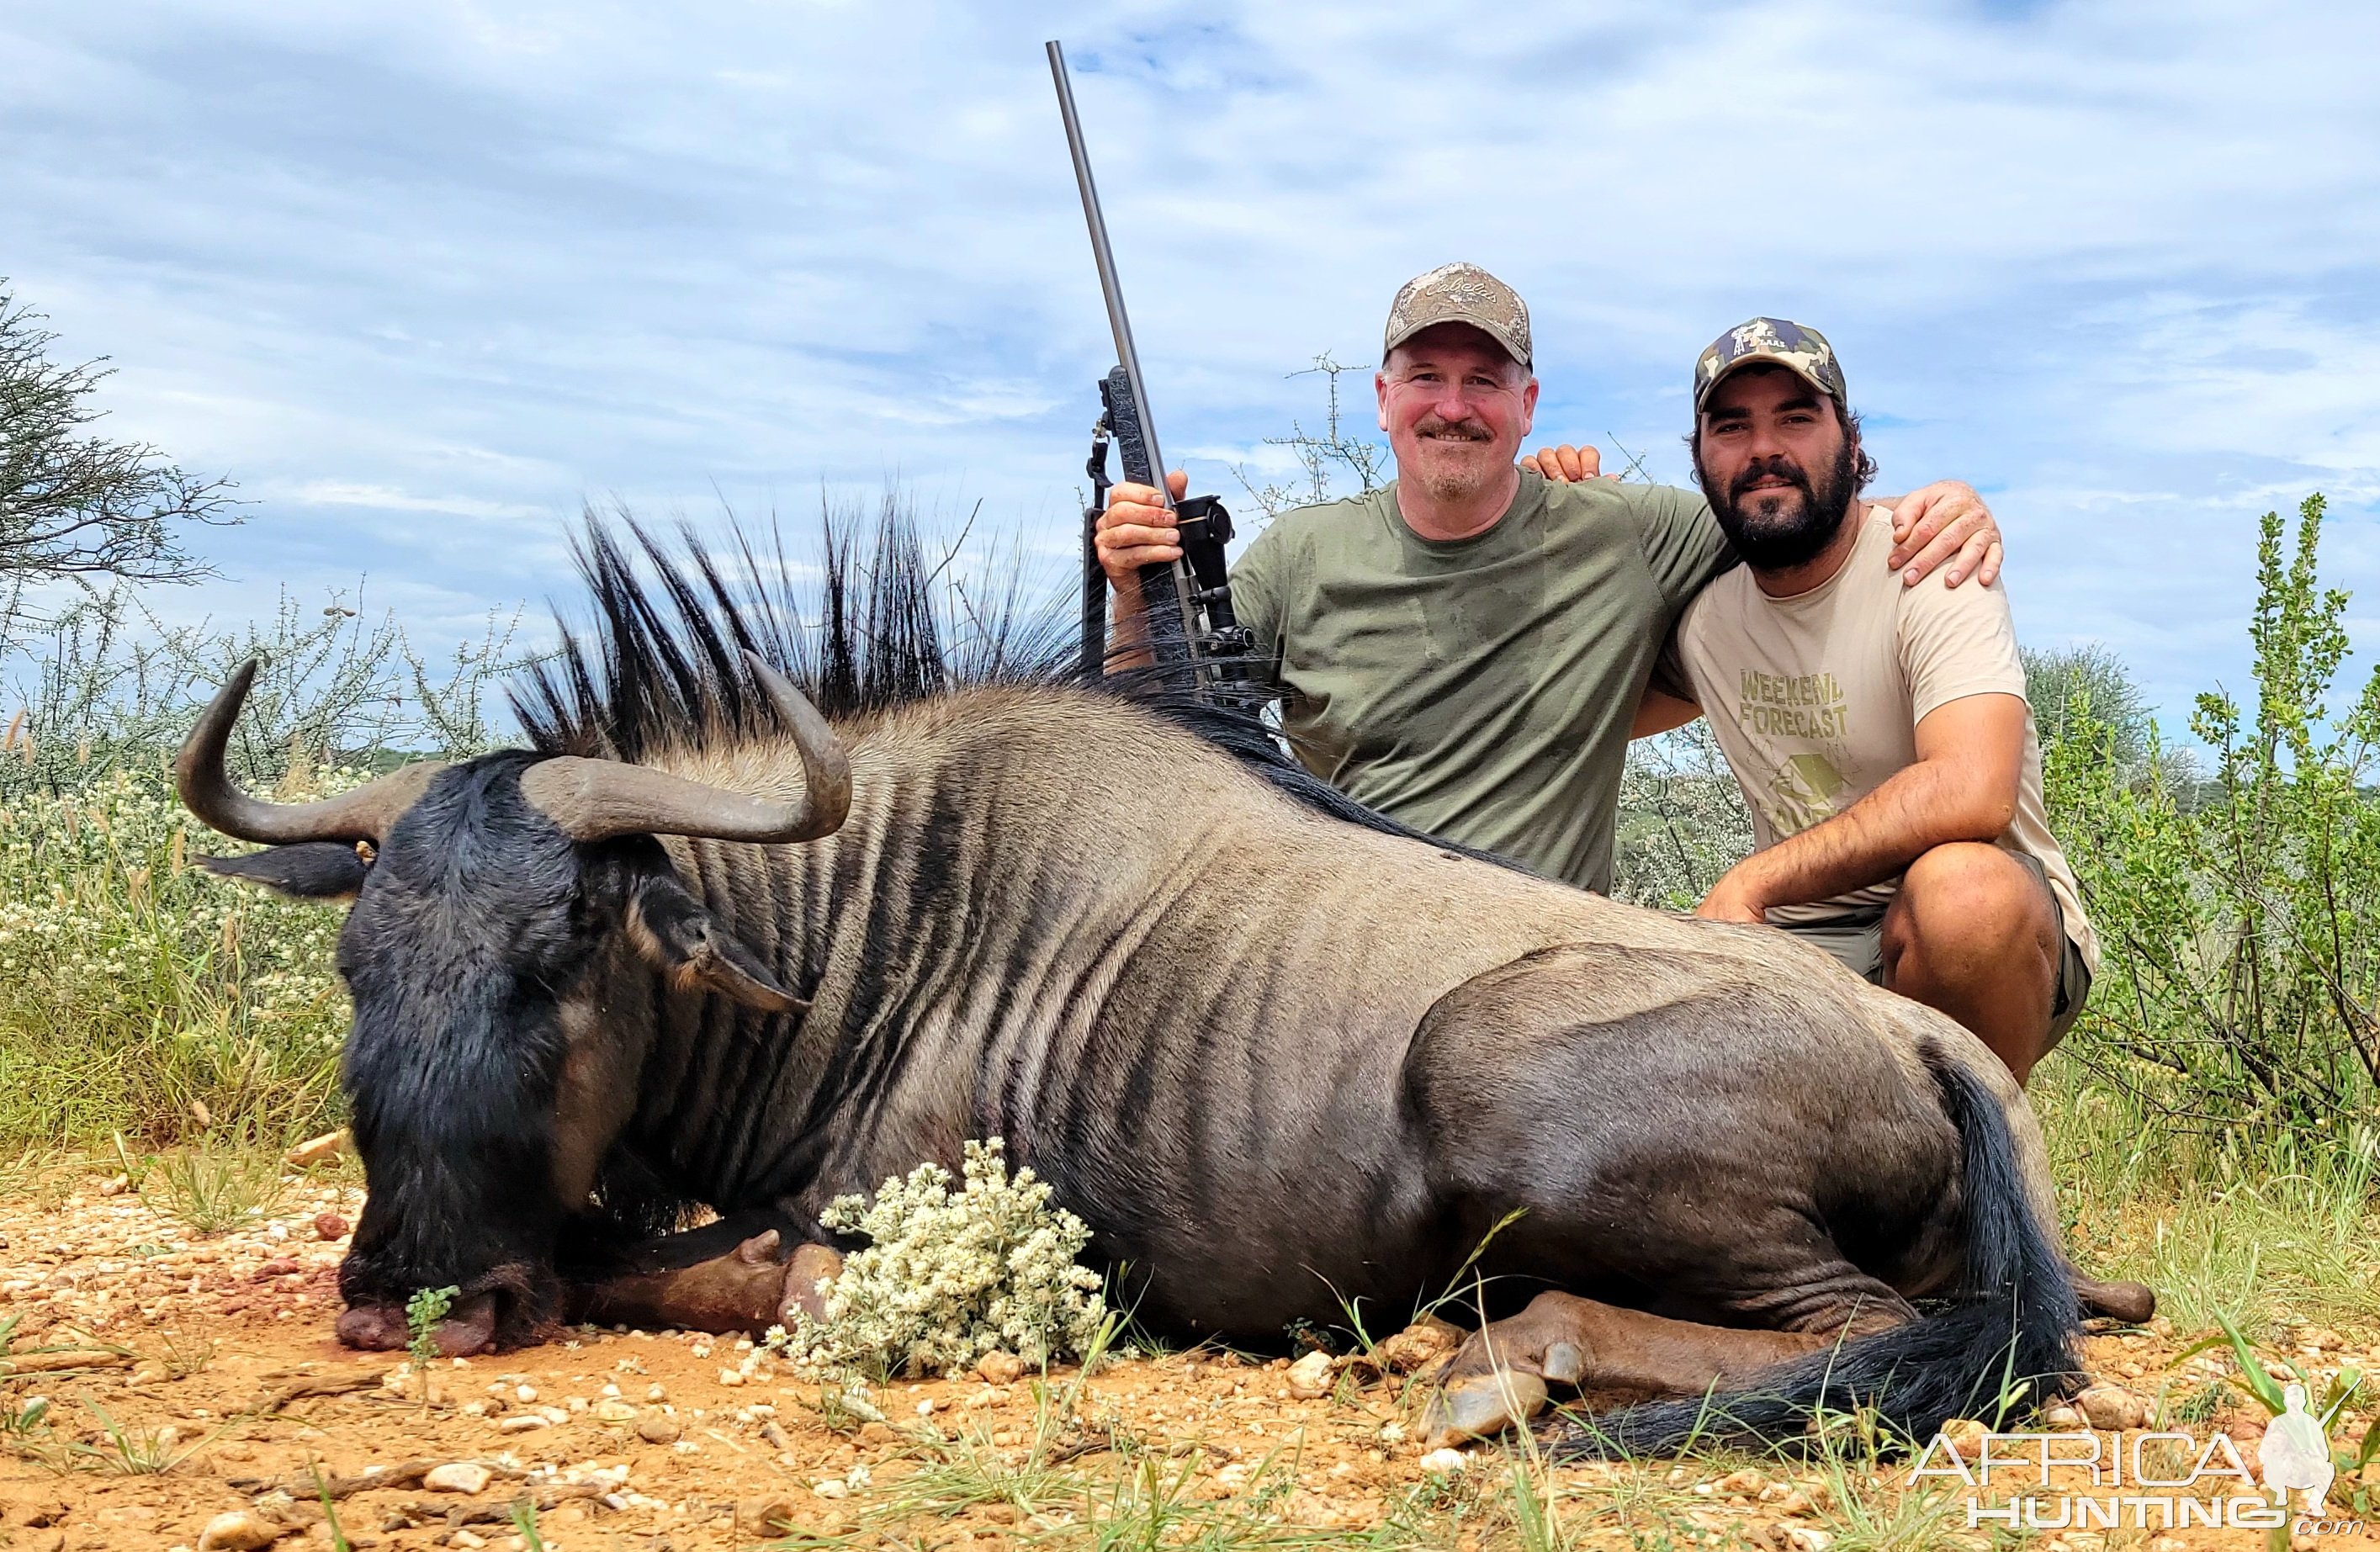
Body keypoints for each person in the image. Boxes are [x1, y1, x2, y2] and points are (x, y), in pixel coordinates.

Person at [1096, 263, 2004, 893]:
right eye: (1426, 377)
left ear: (1526, 406)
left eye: (1483, 381)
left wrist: (1939, 505)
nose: (1454, 407)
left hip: (1549, 962)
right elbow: (1158, 751)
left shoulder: (1628, 532)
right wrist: (1136, 595)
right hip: (1353, 950)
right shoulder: (1295, 559)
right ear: (1383, 399)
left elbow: (1792, 513)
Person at [1584, 318, 2094, 1083]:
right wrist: (1552, 515)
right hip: (1794, 950)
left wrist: (1754, 881)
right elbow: (1575, 714)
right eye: (1732, 426)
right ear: (1699, 460)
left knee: (1963, 895)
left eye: (1795, 417)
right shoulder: (1701, 615)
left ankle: (1979, 1176)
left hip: (1971, 947)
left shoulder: (1931, 559)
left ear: (1850, 442)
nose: (1763, 448)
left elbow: (1972, 787)